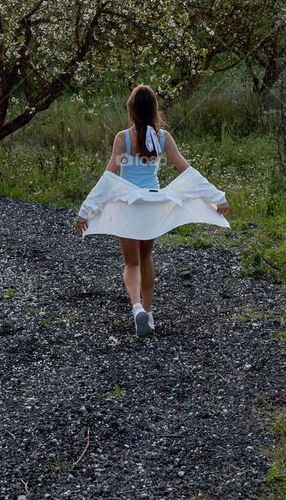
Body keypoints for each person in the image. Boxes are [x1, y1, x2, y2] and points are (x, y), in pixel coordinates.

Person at [74, 84, 230, 337]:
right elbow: (186, 171)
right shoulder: (163, 137)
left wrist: (86, 210)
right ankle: (148, 310)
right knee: (146, 258)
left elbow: (109, 177)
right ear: (154, 110)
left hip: (128, 205)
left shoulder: (122, 137)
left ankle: (137, 308)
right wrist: (217, 197)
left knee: (131, 262)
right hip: (152, 206)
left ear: (131, 110)